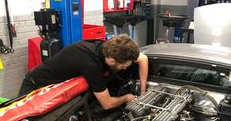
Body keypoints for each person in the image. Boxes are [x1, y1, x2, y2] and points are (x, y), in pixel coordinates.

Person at [19, 34, 148, 110]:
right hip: (36, 85)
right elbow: (107, 104)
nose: (125, 69)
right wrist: (126, 97)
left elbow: (143, 58)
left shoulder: (108, 47)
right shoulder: (91, 65)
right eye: (123, 67)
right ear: (112, 60)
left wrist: (143, 92)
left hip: (57, 87)